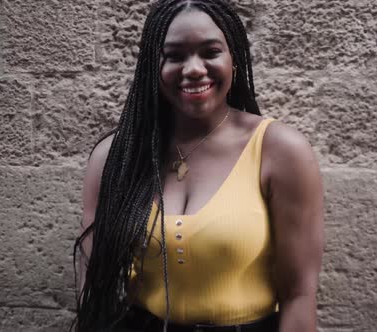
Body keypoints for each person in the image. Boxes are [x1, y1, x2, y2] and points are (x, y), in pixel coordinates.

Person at [74, 0, 324, 331]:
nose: (193, 68)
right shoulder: (116, 156)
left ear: (233, 59)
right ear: (153, 66)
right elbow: (92, 284)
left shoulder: (279, 151)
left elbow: (299, 295)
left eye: (210, 52)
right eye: (175, 55)